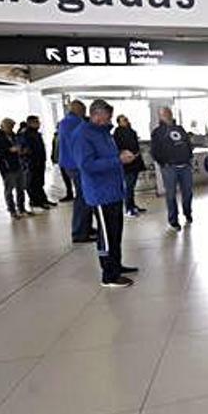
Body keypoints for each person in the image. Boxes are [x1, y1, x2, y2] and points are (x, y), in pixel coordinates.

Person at [73, 99, 139, 288]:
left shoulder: (103, 132)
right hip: (100, 193)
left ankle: (116, 265)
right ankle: (109, 275)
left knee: (116, 232)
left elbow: (108, 156)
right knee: (107, 235)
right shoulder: (82, 135)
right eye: (105, 118)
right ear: (95, 115)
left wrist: (120, 155)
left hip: (114, 190)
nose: (108, 121)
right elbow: (86, 165)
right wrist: (117, 160)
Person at [151, 107, 194, 233]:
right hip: (169, 168)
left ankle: (187, 213)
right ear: (160, 116)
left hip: (185, 166)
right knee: (170, 195)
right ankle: (173, 220)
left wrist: (189, 157)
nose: (167, 115)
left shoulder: (179, 129)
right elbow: (154, 150)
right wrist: (163, 163)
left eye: (168, 113)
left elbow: (187, 143)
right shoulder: (157, 132)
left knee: (188, 193)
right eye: (164, 114)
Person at [59, 100, 96, 243]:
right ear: (77, 110)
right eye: (83, 109)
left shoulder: (66, 122)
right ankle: (80, 232)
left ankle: (85, 228)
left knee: (84, 197)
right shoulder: (74, 123)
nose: (85, 112)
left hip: (71, 164)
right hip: (77, 165)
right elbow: (82, 143)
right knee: (83, 198)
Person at [0, 118, 31, 219]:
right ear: (3, 126)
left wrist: (22, 150)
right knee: (9, 190)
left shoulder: (14, 135)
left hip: (19, 165)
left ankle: (21, 209)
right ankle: (12, 211)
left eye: (12, 126)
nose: (11, 128)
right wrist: (8, 150)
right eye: (9, 126)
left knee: (21, 189)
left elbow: (19, 147)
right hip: (7, 167)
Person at [113, 115, 147, 217]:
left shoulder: (131, 131)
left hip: (136, 162)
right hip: (127, 164)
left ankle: (133, 205)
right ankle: (128, 208)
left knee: (132, 187)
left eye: (126, 119)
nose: (126, 121)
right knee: (128, 187)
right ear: (119, 122)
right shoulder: (117, 133)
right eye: (124, 120)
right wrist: (126, 154)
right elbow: (118, 148)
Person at [21, 115, 56, 210]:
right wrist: (28, 158)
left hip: (39, 162)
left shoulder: (36, 133)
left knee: (40, 182)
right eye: (36, 122)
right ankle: (36, 201)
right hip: (31, 163)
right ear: (30, 123)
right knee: (33, 183)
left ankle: (43, 199)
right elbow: (25, 149)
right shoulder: (26, 134)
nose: (39, 124)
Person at [51, 130, 74, 201]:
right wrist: (53, 157)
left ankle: (75, 194)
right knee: (66, 178)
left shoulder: (67, 136)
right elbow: (54, 147)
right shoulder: (56, 136)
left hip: (67, 160)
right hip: (60, 160)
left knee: (71, 178)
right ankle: (69, 194)